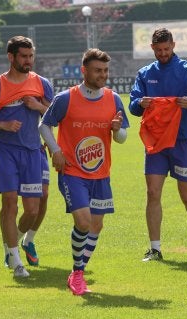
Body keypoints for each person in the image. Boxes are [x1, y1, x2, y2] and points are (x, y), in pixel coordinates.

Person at [39, 48, 129, 295]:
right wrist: (56, 150)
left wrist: (116, 130)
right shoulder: (65, 98)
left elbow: (122, 138)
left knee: (96, 226)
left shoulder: (113, 99)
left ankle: (77, 272)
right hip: (72, 171)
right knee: (83, 221)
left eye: (106, 70)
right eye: (98, 70)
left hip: (101, 173)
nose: (103, 75)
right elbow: (44, 126)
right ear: (84, 71)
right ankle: (78, 273)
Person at [128, 28, 187, 261]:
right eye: (158, 50)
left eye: (166, 49)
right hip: (156, 142)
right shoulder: (145, 73)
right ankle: (155, 248)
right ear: (152, 49)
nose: (163, 53)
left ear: (173, 45)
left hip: (183, 141)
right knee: (152, 192)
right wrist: (140, 103)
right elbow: (133, 105)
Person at [0, 36, 53, 277]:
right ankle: (16, 261)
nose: (28, 61)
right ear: (11, 57)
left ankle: (13, 243)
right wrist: (2, 125)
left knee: (32, 210)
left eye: (31, 56)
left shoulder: (41, 83)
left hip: (32, 151)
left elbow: (56, 115)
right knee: (9, 203)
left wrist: (38, 107)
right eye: (23, 56)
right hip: (5, 152)